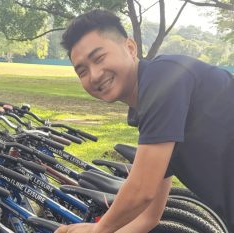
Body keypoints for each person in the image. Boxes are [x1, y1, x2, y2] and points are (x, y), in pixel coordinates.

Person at [55, 9, 234, 233]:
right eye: (82, 71)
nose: (94, 75)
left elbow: (142, 190)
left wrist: (97, 231)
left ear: (130, 48)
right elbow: (148, 218)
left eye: (99, 58)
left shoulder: (165, 77)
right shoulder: (153, 116)